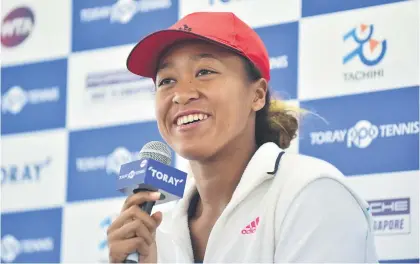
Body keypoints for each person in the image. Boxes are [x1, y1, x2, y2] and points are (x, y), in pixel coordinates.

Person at [106, 11, 379, 263]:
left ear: (257, 95)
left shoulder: (311, 193)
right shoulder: (157, 228)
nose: (181, 93)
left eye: (204, 72)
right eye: (166, 80)